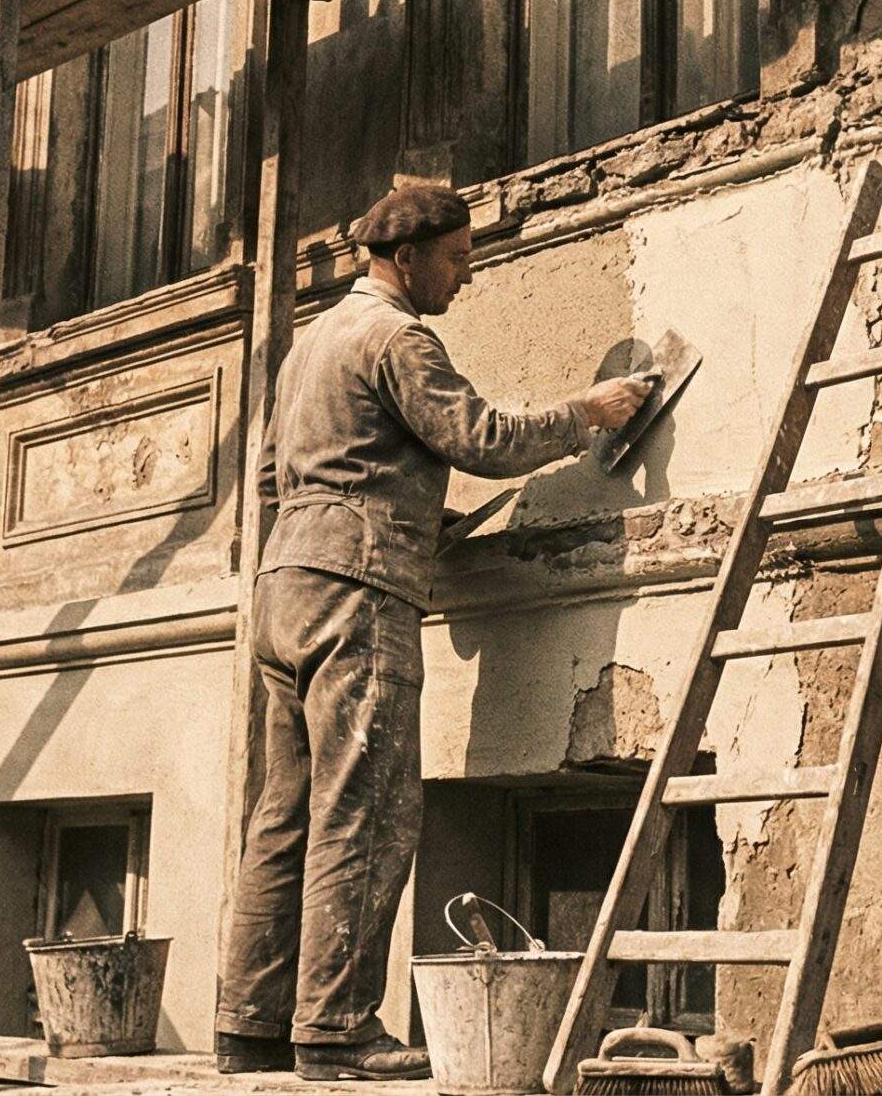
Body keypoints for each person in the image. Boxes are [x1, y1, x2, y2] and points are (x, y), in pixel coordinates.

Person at [215, 183, 654, 1082]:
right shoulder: (397, 336)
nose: (467, 272)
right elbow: (480, 436)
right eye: (455, 258)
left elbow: (273, 480)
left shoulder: (312, 344)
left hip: (284, 589)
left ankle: (249, 1024)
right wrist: (590, 412)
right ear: (405, 258)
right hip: (357, 594)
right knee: (368, 808)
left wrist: (400, 519)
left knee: (283, 815)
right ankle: (335, 1028)